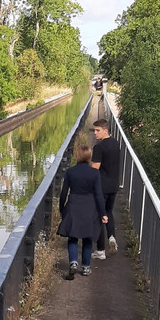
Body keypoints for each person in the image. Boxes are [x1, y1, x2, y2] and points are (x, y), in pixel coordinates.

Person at [57, 142, 107, 279]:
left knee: (72, 237)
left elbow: (63, 193)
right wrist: (103, 213)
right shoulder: (94, 173)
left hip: (73, 205)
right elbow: (98, 195)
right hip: (90, 207)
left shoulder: (70, 172)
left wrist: (62, 209)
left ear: (77, 156)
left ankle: (73, 262)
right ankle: (85, 267)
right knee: (87, 239)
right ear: (89, 157)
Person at [91, 118, 121, 259]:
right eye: (94, 130)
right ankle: (112, 237)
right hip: (113, 186)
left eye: (97, 130)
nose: (95, 134)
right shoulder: (116, 144)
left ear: (105, 130)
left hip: (101, 188)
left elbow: (95, 169)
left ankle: (101, 250)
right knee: (109, 212)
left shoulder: (99, 147)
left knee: (98, 216)